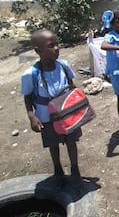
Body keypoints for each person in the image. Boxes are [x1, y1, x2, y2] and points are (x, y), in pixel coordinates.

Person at [21, 30, 83, 188]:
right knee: (52, 143)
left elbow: (71, 85)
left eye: (57, 44)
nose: (56, 48)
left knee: (71, 142)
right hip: (46, 116)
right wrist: (32, 117)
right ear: (38, 51)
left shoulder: (63, 65)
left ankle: (75, 169)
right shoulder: (31, 74)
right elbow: (27, 96)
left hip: (66, 114)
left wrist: (78, 105)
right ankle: (58, 169)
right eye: (51, 46)